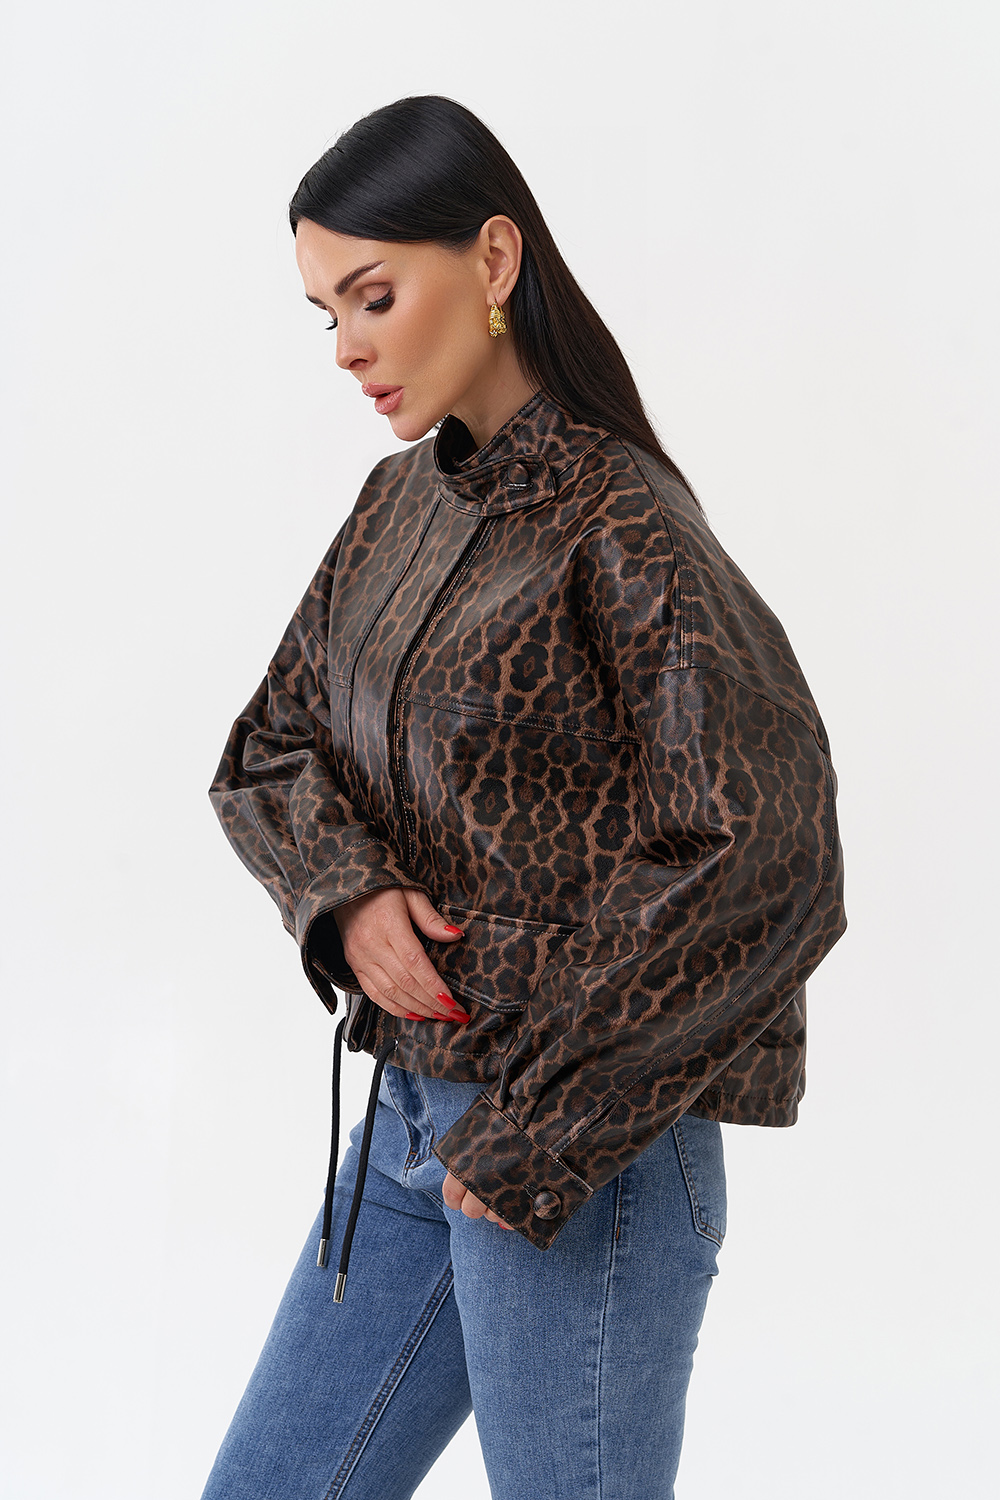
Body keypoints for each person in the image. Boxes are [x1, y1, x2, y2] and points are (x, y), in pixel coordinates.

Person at [200, 94, 847, 1500]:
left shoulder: (626, 524)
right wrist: (347, 894)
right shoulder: (398, 507)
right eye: (325, 311)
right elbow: (268, 748)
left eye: (374, 295)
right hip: (411, 1125)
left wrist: (542, 1129)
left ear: (493, 260)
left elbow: (770, 853)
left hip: (587, 1160)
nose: (347, 345)